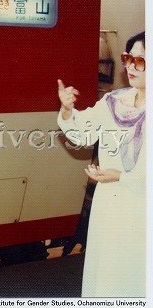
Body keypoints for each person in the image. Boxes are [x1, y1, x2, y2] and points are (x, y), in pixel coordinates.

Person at [57, 31, 145, 297]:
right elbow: (83, 133)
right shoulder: (114, 101)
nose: (130, 66)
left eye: (141, 61)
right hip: (110, 206)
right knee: (106, 276)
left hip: (142, 209)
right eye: (128, 57)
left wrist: (122, 176)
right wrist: (68, 110)